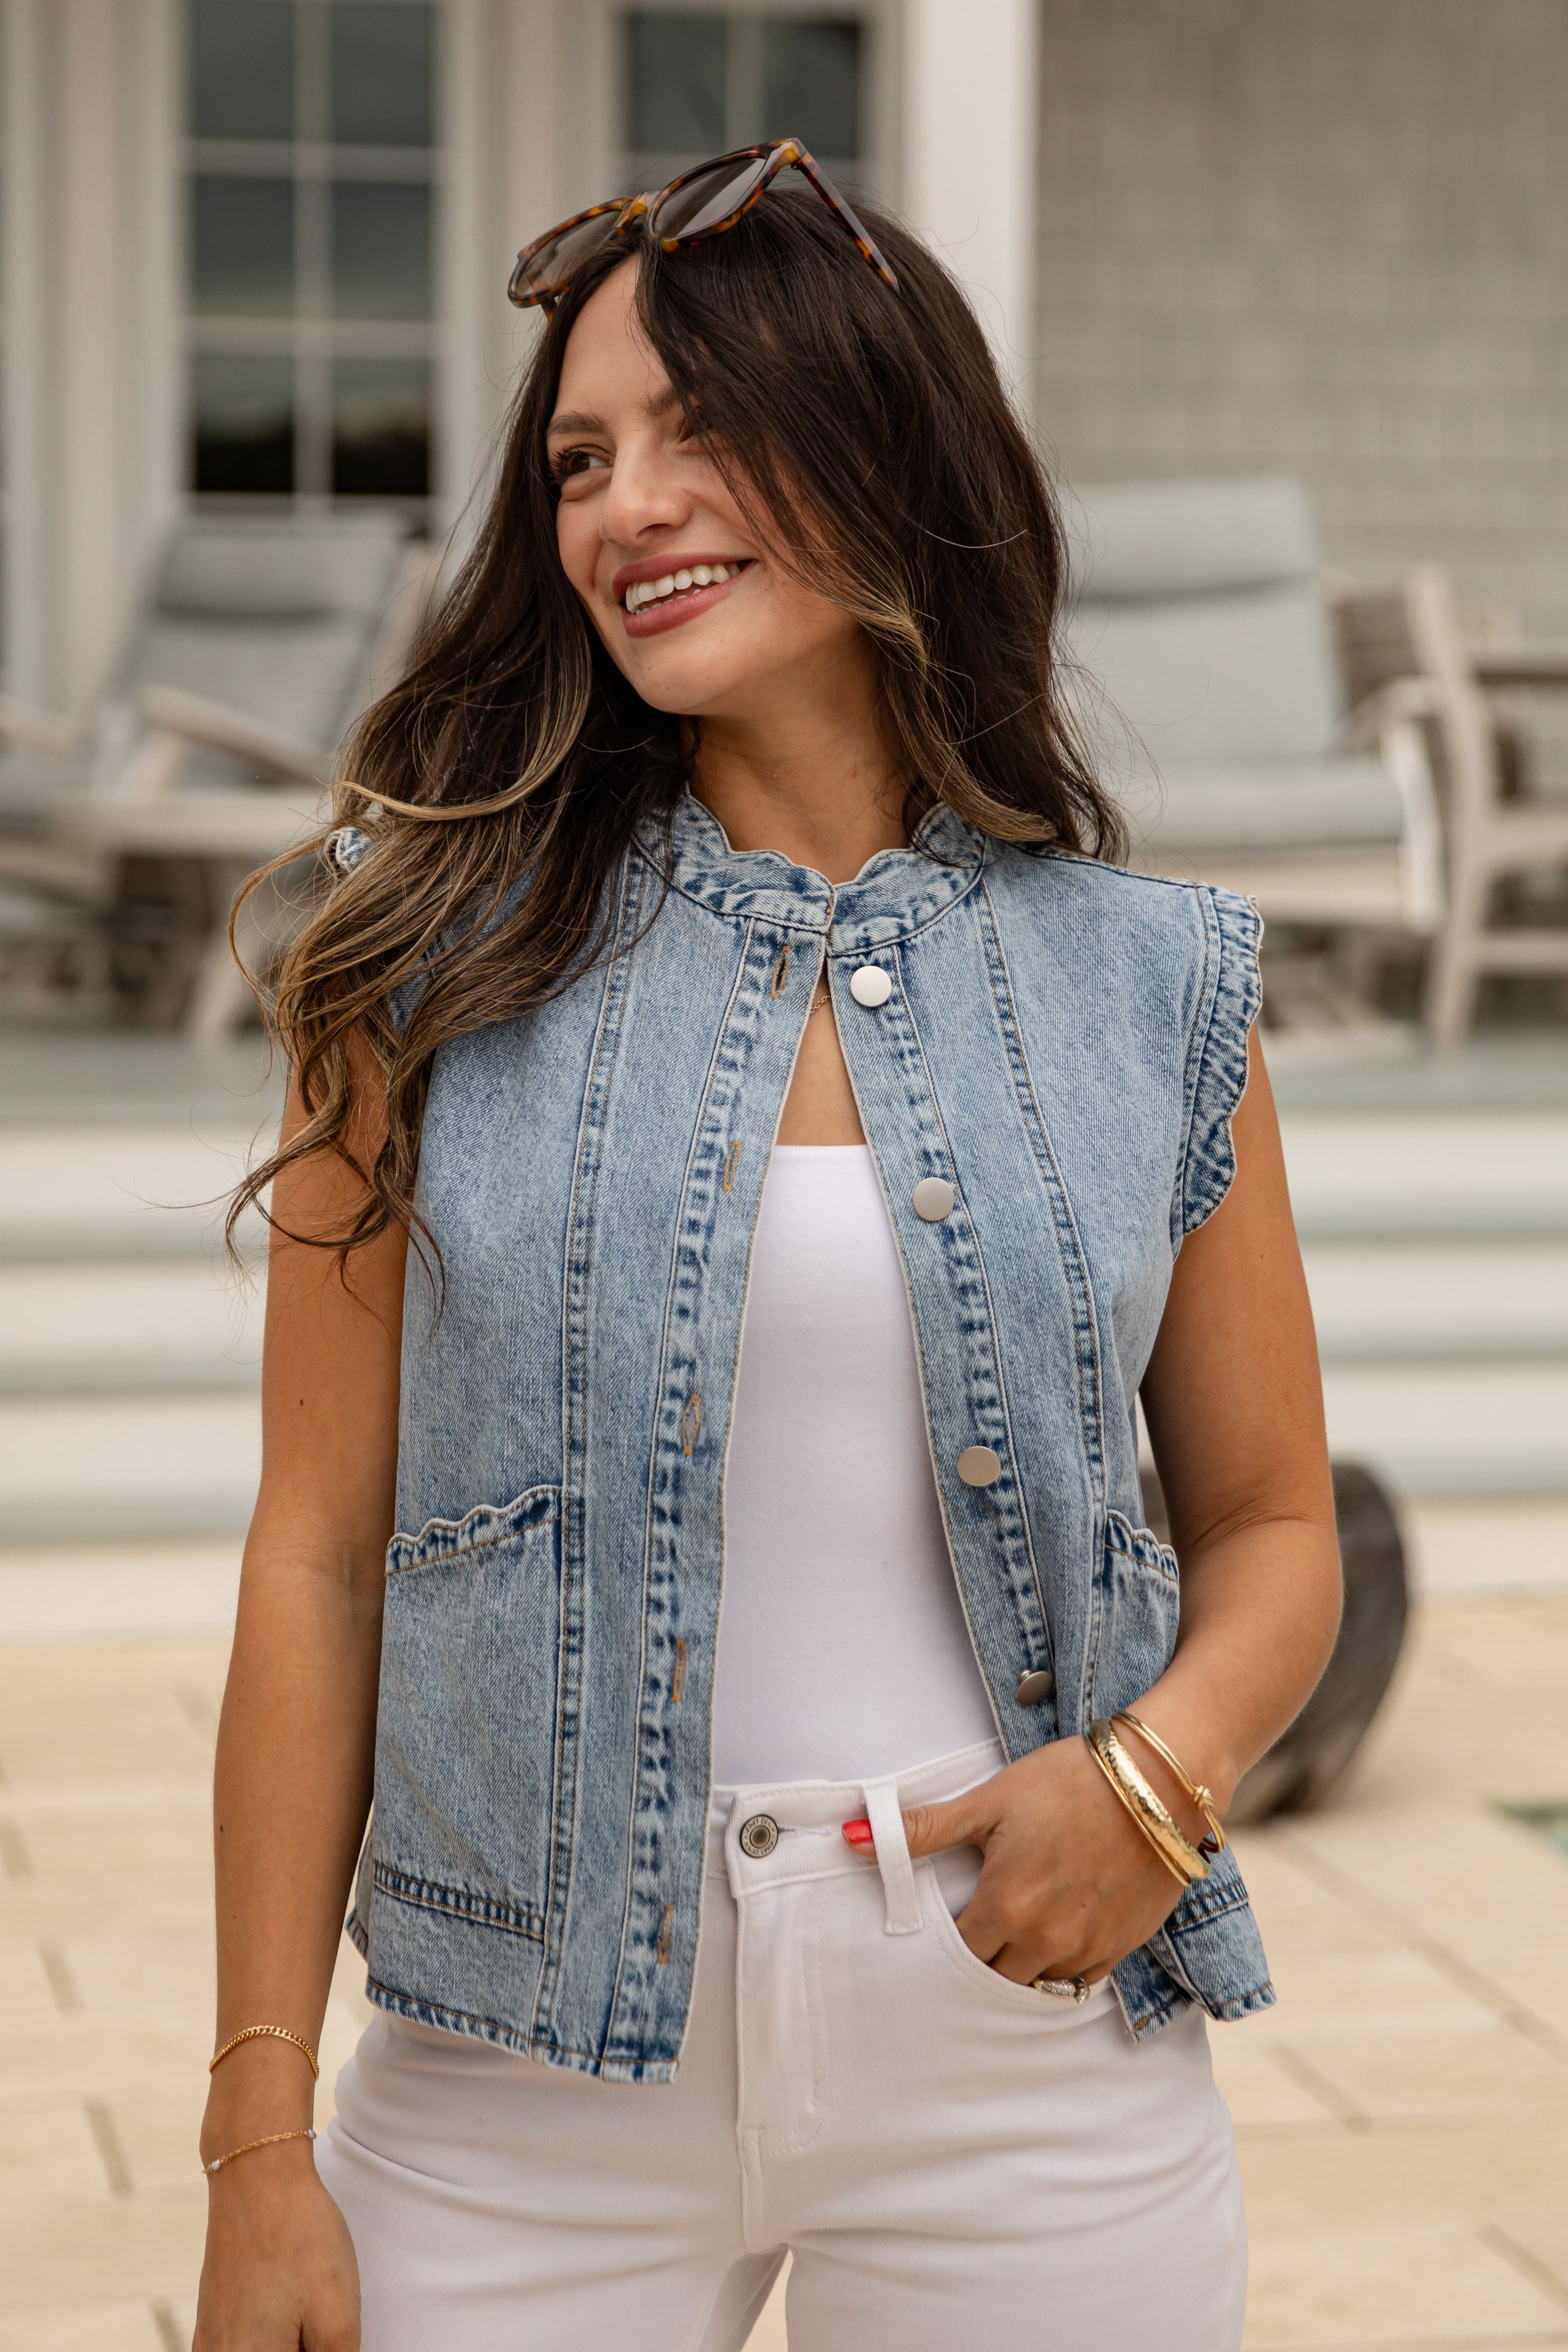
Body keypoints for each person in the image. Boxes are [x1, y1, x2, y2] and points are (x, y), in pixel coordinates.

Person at [194, 143, 1341, 2352]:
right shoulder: (419, 957)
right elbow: (314, 1555)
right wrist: (259, 2141)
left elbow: (1277, 1520)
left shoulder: (1150, 983)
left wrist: (1154, 1779)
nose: (627, 505)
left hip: (1019, 2035)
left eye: (703, 429)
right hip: (514, 2065)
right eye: (582, 461)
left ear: (887, 442)